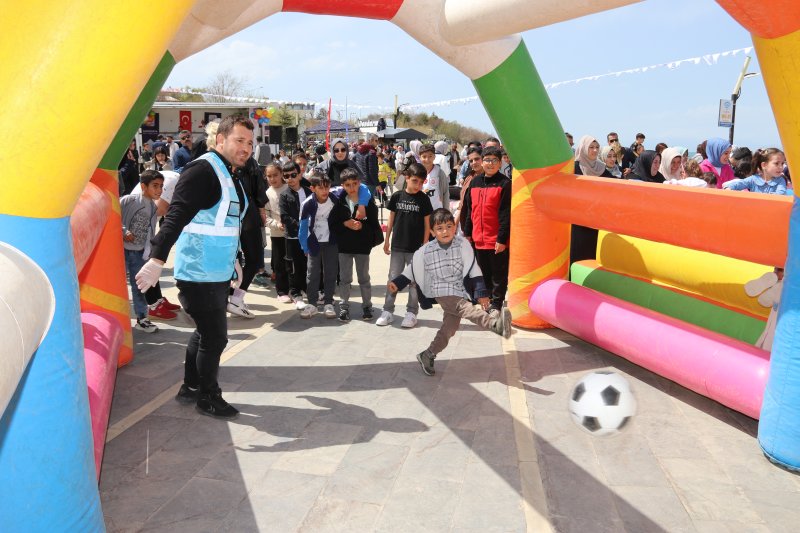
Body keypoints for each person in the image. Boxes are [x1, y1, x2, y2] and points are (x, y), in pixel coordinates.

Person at [135, 114, 255, 420]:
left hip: (216, 271)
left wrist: (237, 260)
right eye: (239, 140)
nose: (246, 148)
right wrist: (156, 259)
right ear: (220, 140)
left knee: (204, 333)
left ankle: (190, 387)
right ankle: (208, 397)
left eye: (250, 143)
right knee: (215, 337)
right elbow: (176, 216)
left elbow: (227, 223)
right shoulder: (203, 170)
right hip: (198, 273)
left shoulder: (229, 173)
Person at [388, 208, 512, 376]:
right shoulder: (426, 251)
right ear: (432, 232)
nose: (445, 231)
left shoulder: (462, 245)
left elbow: (473, 269)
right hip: (440, 289)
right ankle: (495, 325)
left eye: (448, 226)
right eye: (439, 228)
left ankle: (428, 354)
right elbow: (413, 269)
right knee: (465, 308)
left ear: (455, 227)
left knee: (450, 328)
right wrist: (398, 282)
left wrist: (482, 293)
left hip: (458, 289)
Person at [377, 163, 433, 328]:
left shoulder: (424, 199)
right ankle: (388, 311)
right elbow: (391, 220)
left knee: (414, 281)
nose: (418, 185)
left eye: (421, 182)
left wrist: (425, 244)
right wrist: (387, 239)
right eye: (415, 181)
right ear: (407, 178)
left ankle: (411, 313)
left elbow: (427, 224)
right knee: (393, 278)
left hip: (416, 248)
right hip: (397, 246)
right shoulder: (397, 196)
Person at [461, 145, 512, 315]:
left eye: (494, 160)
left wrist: (501, 239)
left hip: (495, 239)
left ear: (500, 163)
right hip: (478, 238)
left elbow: (505, 214)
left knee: (498, 274)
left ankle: (496, 304)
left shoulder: (505, 184)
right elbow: (470, 210)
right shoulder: (475, 182)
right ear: (482, 162)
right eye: (487, 160)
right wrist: (467, 233)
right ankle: (487, 301)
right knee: (482, 273)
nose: (490, 163)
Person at [121, 170, 171, 333]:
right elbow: (113, 215)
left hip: (139, 253)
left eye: (161, 186)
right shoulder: (128, 200)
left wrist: (150, 251)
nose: (159, 190)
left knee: (139, 287)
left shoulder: (153, 207)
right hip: (121, 251)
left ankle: (142, 318)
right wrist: (123, 231)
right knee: (119, 285)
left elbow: (151, 231)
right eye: (155, 186)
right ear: (143, 186)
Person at [330, 168, 383, 321]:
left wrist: (362, 228)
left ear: (359, 183)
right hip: (344, 248)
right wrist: (345, 224)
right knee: (345, 279)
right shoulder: (339, 203)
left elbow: (375, 227)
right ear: (343, 186)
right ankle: (344, 307)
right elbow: (332, 224)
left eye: (354, 183)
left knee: (364, 279)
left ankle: (367, 306)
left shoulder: (368, 204)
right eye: (348, 185)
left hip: (362, 248)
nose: (352, 187)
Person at [227, 156, 267, 319]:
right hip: (242, 212)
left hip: (233, 214)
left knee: (235, 260)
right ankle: (235, 299)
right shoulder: (245, 159)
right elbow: (258, 185)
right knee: (252, 259)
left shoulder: (213, 161)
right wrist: (261, 208)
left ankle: (233, 298)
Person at [298, 172, 340, 319]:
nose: (324, 191)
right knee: (312, 273)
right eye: (321, 188)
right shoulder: (307, 203)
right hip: (313, 242)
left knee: (331, 272)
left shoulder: (335, 199)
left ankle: (328, 302)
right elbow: (303, 227)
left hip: (331, 242)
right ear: (313, 188)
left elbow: (359, 186)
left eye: (327, 187)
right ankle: (312, 304)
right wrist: (304, 246)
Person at [279, 161, 312, 310]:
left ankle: (308, 289)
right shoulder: (284, 195)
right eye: (286, 176)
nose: (290, 179)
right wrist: (301, 226)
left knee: (308, 264)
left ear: (300, 175)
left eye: (293, 175)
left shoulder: (309, 191)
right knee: (293, 265)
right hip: (293, 237)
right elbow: (284, 217)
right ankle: (295, 293)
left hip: (310, 236)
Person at [264, 162, 291, 302]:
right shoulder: (267, 194)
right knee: (279, 264)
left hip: (293, 234)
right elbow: (265, 216)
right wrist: (276, 224)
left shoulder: (290, 188)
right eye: (269, 176)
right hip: (277, 234)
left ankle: (295, 289)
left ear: (281, 174)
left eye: (275, 175)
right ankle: (282, 292)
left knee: (293, 262)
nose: (273, 178)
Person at [723, 148, 792, 195]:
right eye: (776, 163)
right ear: (764, 165)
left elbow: (780, 193)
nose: (781, 167)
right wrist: (729, 188)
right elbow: (740, 183)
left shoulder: (780, 180)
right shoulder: (753, 179)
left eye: (782, 163)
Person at [454, 146, 484, 229]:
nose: (474, 162)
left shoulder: (489, 179)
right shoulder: (469, 178)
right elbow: (462, 203)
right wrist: (455, 223)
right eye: (471, 161)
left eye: (477, 159)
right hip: (466, 223)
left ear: (483, 158)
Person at [419, 143, 450, 210]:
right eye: (424, 156)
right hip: (421, 211)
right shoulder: (416, 173)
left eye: (430, 156)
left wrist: (446, 211)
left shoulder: (439, 173)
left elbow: (445, 193)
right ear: (420, 157)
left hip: (437, 211)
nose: (427, 159)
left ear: (434, 157)